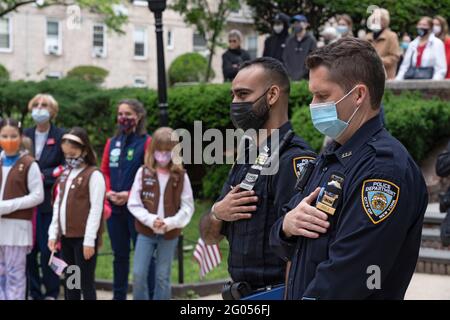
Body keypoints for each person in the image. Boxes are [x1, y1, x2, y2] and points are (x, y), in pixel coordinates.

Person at [270, 38, 428, 299]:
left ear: (357, 95)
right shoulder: (332, 156)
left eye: (322, 95)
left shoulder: (383, 170)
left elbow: (351, 275)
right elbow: (284, 240)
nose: (313, 104)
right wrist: (286, 225)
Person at [199, 57, 316, 298]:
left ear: (272, 95)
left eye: (242, 95)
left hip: (275, 293)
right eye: (233, 95)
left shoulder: (293, 159)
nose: (234, 103)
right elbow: (209, 237)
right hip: (241, 293)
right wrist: (216, 213)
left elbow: (299, 248)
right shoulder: (246, 157)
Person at [128, 127, 194, 300]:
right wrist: (150, 220)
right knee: (139, 274)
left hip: (169, 234)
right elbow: (133, 203)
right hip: (146, 232)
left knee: (162, 277)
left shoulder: (181, 176)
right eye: (159, 151)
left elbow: (188, 207)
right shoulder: (143, 172)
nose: (163, 155)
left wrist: (171, 222)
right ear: (152, 151)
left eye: (168, 151)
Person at [100, 99, 153, 300]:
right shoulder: (111, 143)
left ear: (138, 117)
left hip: (138, 210)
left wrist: (129, 195)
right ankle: (118, 296)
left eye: (128, 114)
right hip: (115, 209)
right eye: (120, 114)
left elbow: (150, 175)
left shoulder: (146, 142)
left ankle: (149, 295)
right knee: (119, 256)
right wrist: (108, 191)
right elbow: (104, 170)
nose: (123, 118)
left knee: (144, 257)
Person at [48, 128, 105, 300]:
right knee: (71, 282)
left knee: (86, 282)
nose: (70, 158)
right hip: (66, 238)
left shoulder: (93, 175)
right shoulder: (65, 175)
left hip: (83, 239)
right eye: (66, 154)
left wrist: (89, 240)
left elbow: (96, 209)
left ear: (85, 150)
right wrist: (53, 234)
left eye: (73, 154)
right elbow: (58, 205)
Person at [24, 93, 65, 301]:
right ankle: (33, 291)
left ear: (52, 111)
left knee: (50, 250)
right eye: (36, 105)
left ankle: (51, 291)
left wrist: (42, 175)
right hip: (27, 204)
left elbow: (64, 166)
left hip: (49, 203)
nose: (39, 108)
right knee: (29, 251)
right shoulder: (24, 134)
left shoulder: (60, 136)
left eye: (45, 105)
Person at [0, 118, 44, 300]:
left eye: (13, 136)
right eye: (4, 136)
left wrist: (8, 206)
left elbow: (37, 196)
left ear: (20, 137)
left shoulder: (29, 163)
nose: (8, 140)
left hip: (16, 229)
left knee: (15, 275)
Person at [366, 8, 401, 80]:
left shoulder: (391, 36)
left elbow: (394, 57)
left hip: (386, 76)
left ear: (385, 21)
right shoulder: (367, 37)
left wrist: (377, 61)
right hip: (369, 76)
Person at [282, 14, 317, 80]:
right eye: (294, 23)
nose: (296, 25)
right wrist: (289, 73)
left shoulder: (311, 40)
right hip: (290, 78)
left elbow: (313, 60)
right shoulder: (289, 40)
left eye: (298, 23)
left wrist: (302, 74)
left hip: (305, 79)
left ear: (306, 25)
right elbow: (285, 58)